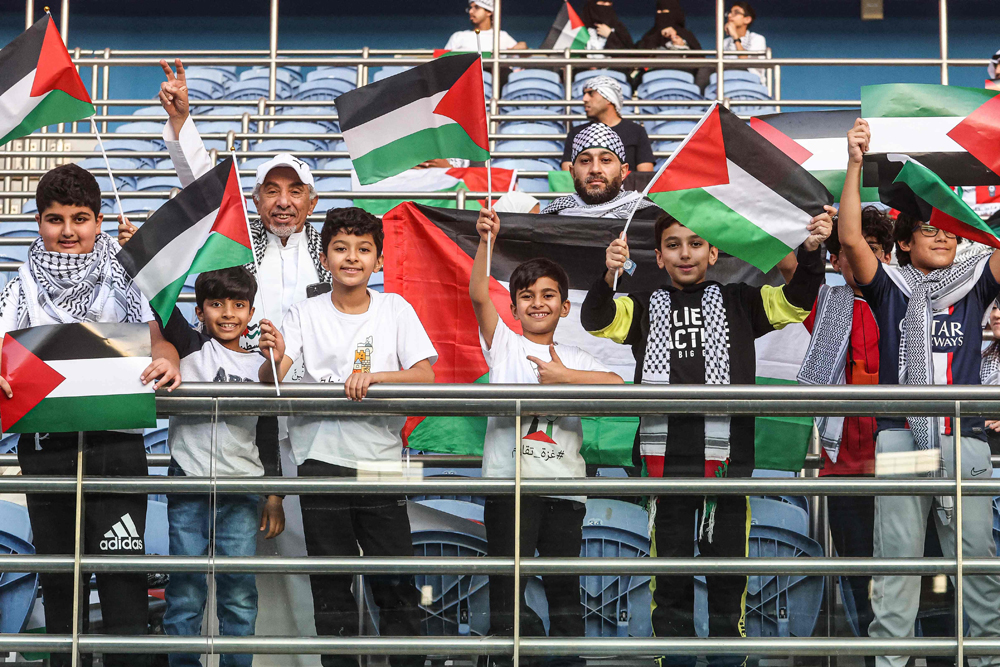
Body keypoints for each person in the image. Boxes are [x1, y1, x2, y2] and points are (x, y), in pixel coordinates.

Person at [580, 208, 831, 667]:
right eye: (673, 245)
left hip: (727, 466)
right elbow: (597, 321)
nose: (685, 253)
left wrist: (811, 252)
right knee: (669, 576)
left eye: (696, 243)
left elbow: (797, 300)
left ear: (713, 252)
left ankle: (725, 659)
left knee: (727, 575)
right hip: (666, 467)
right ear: (658, 256)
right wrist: (608, 274)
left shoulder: (742, 301)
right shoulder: (640, 305)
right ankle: (671, 658)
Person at [0, 164, 181, 667]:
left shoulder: (124, 275)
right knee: (61, 579)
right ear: (38, 222)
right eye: (54, 219)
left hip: (116, 447)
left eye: (80, 218)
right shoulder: (21, 284)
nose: (67, 231)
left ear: (99, 221)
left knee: (123, 574)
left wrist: (167, 355)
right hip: (46, 449)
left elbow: (156, 336)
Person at [839, 118, 1000, 667]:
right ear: (903, 244)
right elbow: (850, 239)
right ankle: (891, 662)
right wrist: (856, 163)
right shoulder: (890, 288)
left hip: (966, 440)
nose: (943, 234)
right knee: (898, 567)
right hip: (903, 442)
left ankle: (984, 661)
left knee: (977, 567)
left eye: (951, 230)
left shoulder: (977, 283)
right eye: (929, 228)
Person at [258, 207, 437, 667]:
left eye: (363, 249)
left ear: (378, 260)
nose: (351, 258)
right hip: (320, 461)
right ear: (325, 257)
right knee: (332, 587)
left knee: (395, 581)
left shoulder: (395, 308)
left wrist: (374, 378)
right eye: (340, 248)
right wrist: (274, 355)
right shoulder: (302, 313)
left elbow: (425, 377)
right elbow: (271, 379)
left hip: (382, 461)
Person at [471, 209, 623, 667]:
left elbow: (617, 386)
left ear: (564, 306)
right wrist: (485, 241)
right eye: (527, 296)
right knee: (506, 590)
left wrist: (563, 376)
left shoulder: (577, 356)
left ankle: (565, 661)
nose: (538, 303)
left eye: (548, 295)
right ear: (514, 307)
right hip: (507, 486)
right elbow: (480, 294)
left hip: (563, 491)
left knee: (563, 589)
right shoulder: (504, 344)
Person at [157, 267, 286, 667]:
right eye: (216, 304)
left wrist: (274, 494)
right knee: (185, 591)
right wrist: (147, 256)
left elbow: (268, 433)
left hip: (243, 488)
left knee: (238, 594)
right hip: (190, 485)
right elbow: (158, 298)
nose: (227, 313)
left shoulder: (263, 367)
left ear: (250, 313)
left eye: (238, 304)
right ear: (199, 311)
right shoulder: (189, 347)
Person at [797, 207, 894, 663]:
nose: (857, 262)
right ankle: (875, 656)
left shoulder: (910, 305)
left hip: (907, 464)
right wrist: (815, 235)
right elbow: (788, 267)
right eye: (847, 254)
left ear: (888, 256)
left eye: (870, 252)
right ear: (835, 261)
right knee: (859, 574)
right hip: (846, 468)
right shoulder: (825, 304)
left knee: (915, 572)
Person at [546, 123, 659, 218]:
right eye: (585, 161)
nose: (595, 169)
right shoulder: (553, 217)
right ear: (572, 172)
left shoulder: (650, 217)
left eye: (605, 160)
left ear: (623, 171)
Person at [560, 77, 655, 173]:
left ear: (609, 98)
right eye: (585, 94)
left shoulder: (636, 131)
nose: (585, 99)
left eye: (591, 93)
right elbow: (568, 174)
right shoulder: (578, 133)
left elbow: (645, 175)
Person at [635, 0, 708, 89]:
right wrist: (658, 36)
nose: (661, 15)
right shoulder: (651, 35)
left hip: (684, 80)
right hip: (653, 82)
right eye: (658, 11)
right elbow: (638, 55)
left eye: (665, 12)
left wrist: (682, 46)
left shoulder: (686, 35)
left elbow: (700, 59)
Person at [443, 0, 526, 52]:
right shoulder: (458, 36)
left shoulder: (501, 36)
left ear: (489, 12)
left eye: (477, 7)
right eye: (470, 8)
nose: (471, 11)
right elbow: (442, 63)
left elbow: (523, 57)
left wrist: (523, 46)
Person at [722, 2, 767, 86]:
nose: (730, 16)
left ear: (747, 19)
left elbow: (744, 62)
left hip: (751, 85)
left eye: (736, 13)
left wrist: (735, 37)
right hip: (727, 83)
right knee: (705, 71)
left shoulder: (757, 39)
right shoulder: (725, 42)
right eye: (730, 13)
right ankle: (702, 99)